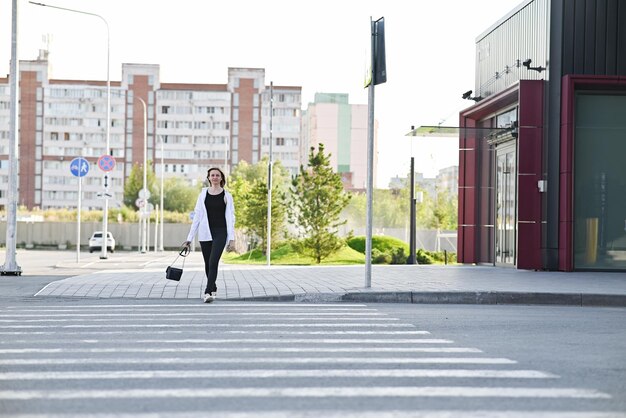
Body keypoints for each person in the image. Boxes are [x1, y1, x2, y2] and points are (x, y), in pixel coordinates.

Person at [182, 167, 235, 303]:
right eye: (212, 175)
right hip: (205, 232)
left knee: (213, 261)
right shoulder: (203, 195)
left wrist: (232, 238)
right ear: (209, 178)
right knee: (207, 263)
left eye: (217, 175)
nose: (215, 177)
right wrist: (189, 238)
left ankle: (207, 291)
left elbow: (231, 217)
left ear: (221, 178)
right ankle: (214, 286)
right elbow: (197, 217)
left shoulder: (227, 196)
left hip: (221, 232)